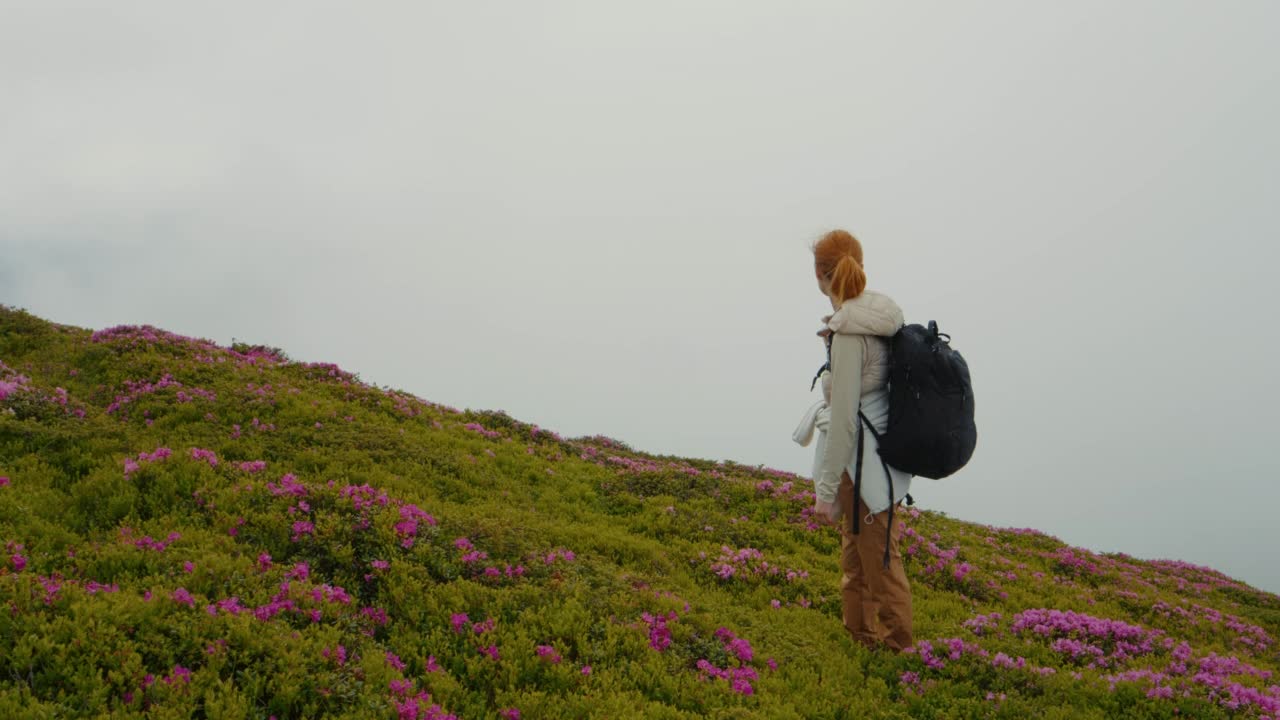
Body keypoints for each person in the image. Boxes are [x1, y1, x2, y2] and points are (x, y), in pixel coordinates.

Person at [795, 229, 914, 652]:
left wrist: (826, 492)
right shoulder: (876, 314)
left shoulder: (849, 331)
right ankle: (861, 640)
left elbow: (844, 418)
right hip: (881, 455)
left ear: (820, 274)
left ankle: (899, 650)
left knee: (879, 559)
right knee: (860, 553)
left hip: (863, 461)